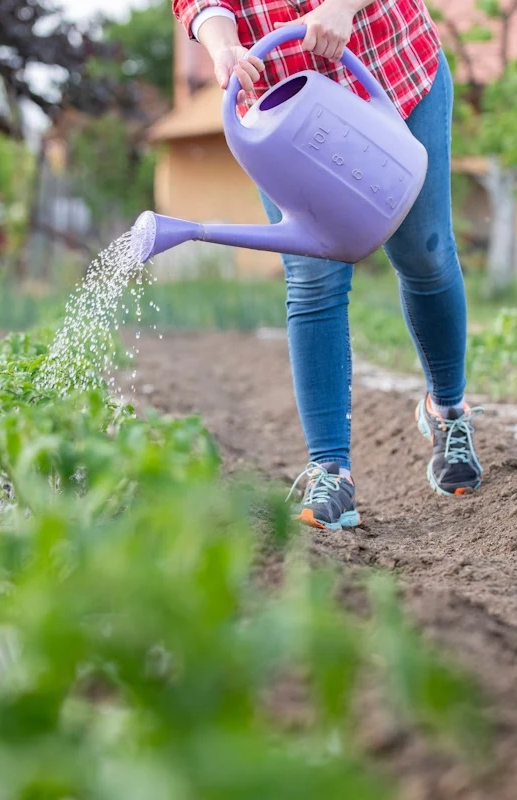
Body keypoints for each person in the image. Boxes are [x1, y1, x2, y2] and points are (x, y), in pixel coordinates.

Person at [171, 0, 484, 530]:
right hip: (287, 111)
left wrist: (341, 7)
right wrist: (223, 46)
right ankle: (330, 471)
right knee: (313, 277)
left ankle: (448, 412)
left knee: (424, 253)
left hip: (391, 67)